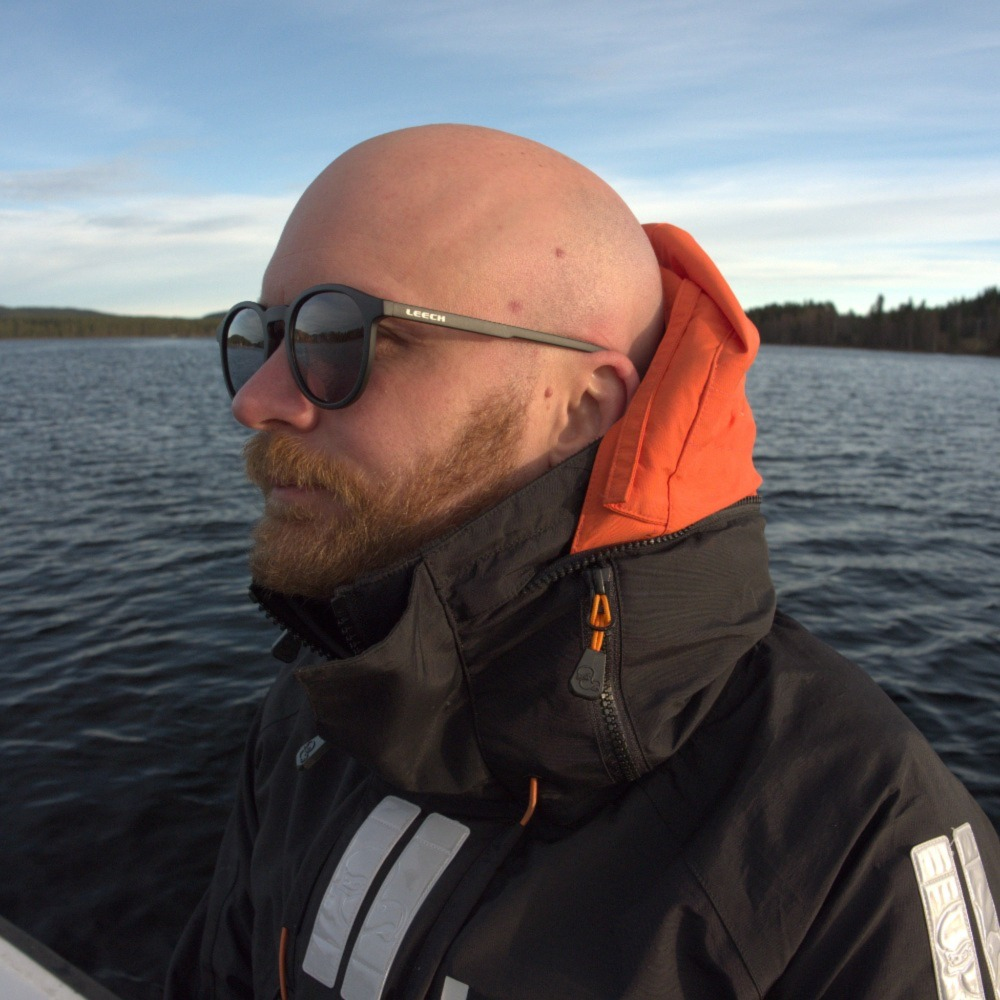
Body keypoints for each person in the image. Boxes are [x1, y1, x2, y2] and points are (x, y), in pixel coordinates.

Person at [167, 124, 1000, 1000]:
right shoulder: (326, 698)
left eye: (335, 335)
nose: (255, 400)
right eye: (259, 337)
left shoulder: (856, 842)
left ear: (583, 405)